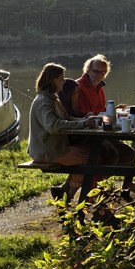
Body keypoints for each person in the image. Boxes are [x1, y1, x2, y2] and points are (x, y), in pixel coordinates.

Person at [28, 63, 98, 200]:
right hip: (47, 152)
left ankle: (65, 192)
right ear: (52, 80)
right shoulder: (43, 101)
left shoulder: (52, 99)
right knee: (90, 159)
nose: (64, 81)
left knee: (93, 154)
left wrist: (85, 120)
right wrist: (83, 124)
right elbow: (52, 126)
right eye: (61, 78)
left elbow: (67, 118)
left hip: (57, 148)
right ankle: (71, 197)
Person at [76, 54, 135, 168]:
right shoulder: (78, 87)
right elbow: (83, 115)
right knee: (112, 155)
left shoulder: (99, 88)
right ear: (88, 70)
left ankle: (127, 185)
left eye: (102, 72)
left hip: (102, 132)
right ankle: (91, 182)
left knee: (131, 154)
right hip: (86, 135)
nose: (99, 75)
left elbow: (102, 111)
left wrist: (115, 111)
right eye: (95, 71)